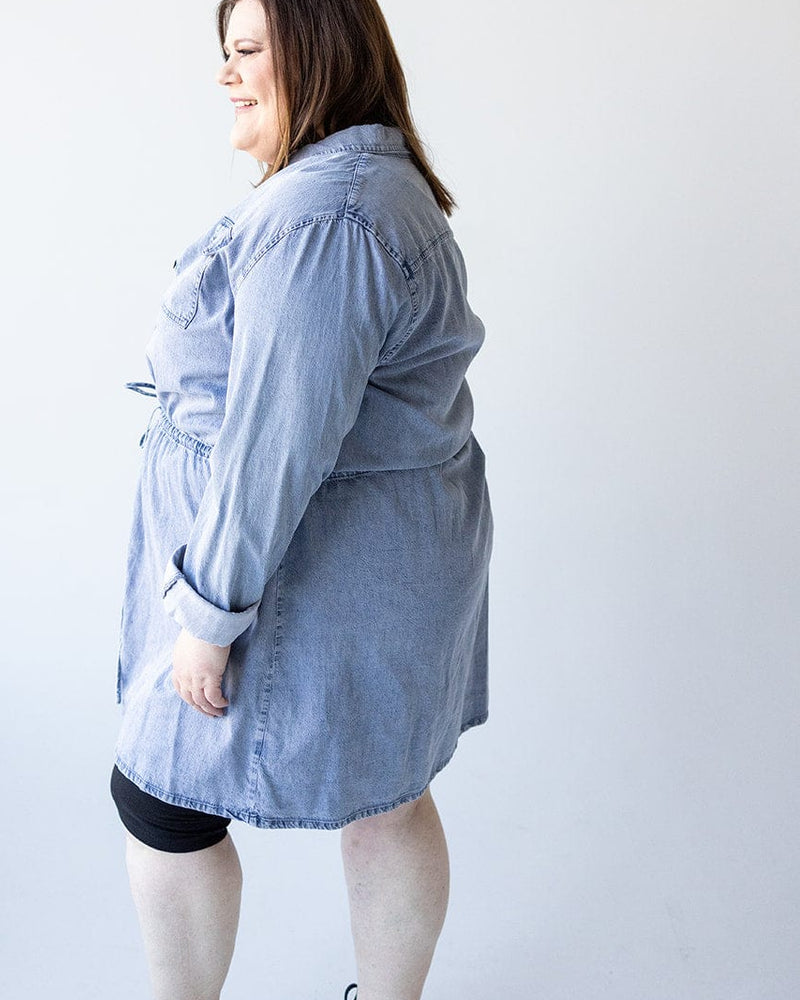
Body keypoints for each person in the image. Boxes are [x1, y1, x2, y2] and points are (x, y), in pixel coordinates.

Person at [109, 0, 494, 997]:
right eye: (223, 53)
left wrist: (209, 612)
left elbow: (274, 441)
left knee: (163, 800)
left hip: (310, 571)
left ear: (318, 52)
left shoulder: (327, 216)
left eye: (246, 52)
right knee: (387, 794)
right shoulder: (358, 187)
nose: (226, 75)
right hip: (381, 555)